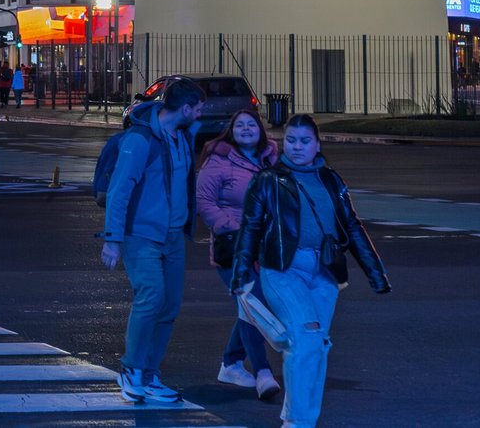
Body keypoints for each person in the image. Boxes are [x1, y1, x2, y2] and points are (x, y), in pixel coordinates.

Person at [231, 115, 390, 428]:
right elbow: (249, 227)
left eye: (304, 141)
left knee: (314, 345)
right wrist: (240, 273)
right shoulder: (268, 179)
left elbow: (352, 226)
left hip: (324, 272)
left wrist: (375, 272)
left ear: (318, 143)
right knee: (306, 340)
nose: (297, 147)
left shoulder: (331, 180)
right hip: (283, 270)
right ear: (283, 141)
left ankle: (296, 417)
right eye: (291, 140)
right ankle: (300, 423)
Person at [98, 78, 207, 405]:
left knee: (169, 305)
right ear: (185, 108)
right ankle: (131, 370)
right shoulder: (141, 139)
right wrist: (112, 239)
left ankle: (148, 374)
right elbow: (119, 191)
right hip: (141, 235)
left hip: (173, 236)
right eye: (198, 108)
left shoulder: (182, 136)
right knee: (151, 296)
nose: (202, 113)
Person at [196, 109, 282, 400]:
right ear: (231, 131)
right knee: (253, 302)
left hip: (266, 247)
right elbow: (204, 202)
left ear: (260, 130)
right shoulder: (218, 161)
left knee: (253, 306)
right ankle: (262, 372)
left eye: (251, 124)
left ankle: (231, 363)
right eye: (239, 125)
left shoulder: (270, 159)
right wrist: (231, 228)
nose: (246, 129)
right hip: (233, 248)